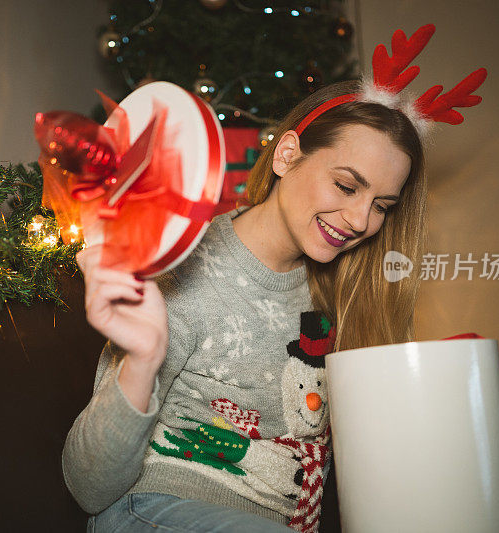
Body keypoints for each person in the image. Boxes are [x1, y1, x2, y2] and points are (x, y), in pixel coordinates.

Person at [64, 75, 427, 533]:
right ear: (287, 154)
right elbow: (88, 488)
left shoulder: (346, 296)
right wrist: (142, 359)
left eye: (382, 206)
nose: (360, 220)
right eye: (346, 186)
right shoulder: (180, 269)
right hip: (154, 509)